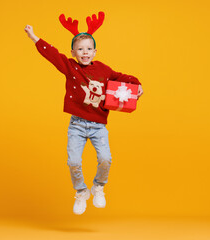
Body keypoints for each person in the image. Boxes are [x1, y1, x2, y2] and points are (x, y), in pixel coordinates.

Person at [24, 12, 143, 215]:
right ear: (73, 52)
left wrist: (137, 84)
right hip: (77, 125)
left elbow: (120, 76)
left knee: (106, 158)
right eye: (80, 49)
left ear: (95, 51)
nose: (85, 53)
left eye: (88, 49)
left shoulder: (103, 70)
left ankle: (98, 187)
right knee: (73, 162)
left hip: (98, 125)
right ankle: (81, 192)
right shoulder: (70, 68)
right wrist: (35, 37)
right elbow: (52, 55)